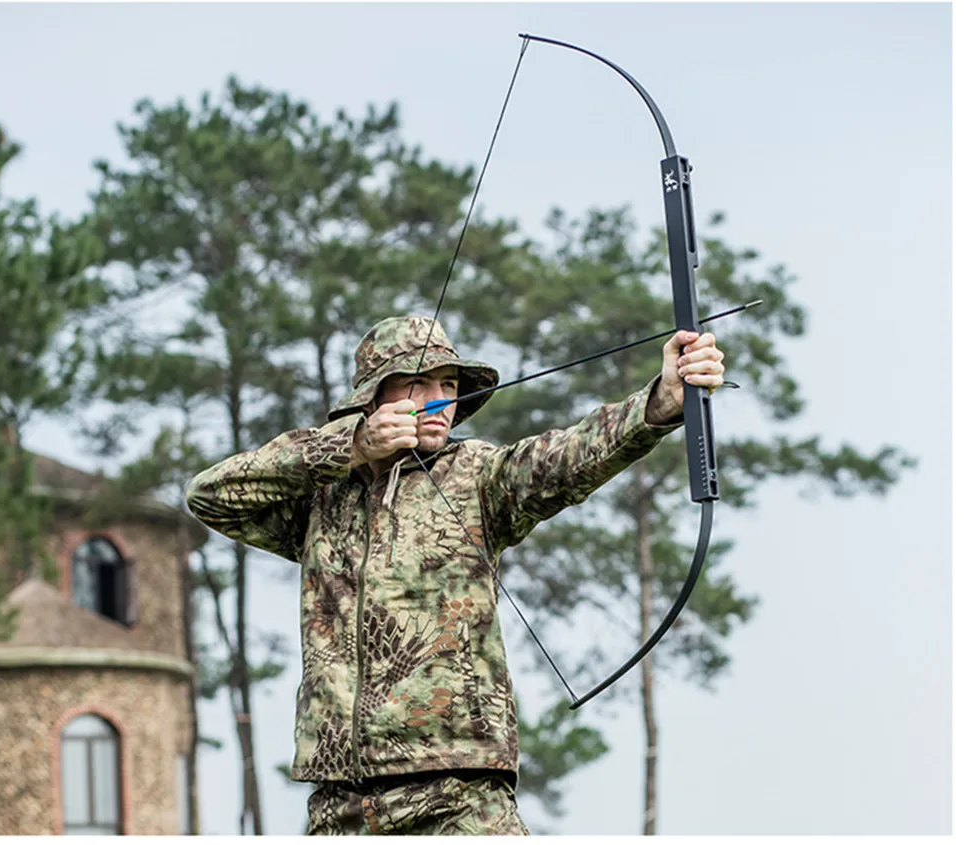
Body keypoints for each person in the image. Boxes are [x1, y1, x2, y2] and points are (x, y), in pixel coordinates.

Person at [185, 314, 726, 835]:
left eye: (447, 383)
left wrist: (660, 402)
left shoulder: (478, 477)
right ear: (372, 399)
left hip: (459, 792)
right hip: (342, 801)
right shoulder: (321, 501)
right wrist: (349, 447)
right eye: (417, 384)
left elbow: (570, 456)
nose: (439, 399)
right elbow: (210, 496)